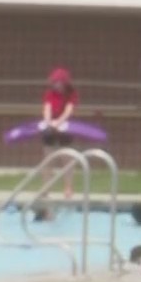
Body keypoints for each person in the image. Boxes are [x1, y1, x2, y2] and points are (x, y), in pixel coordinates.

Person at [39, 67, 81, 197]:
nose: (56, 85)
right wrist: (49, 122)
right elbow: (47, 109)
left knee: (66, 159)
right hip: (50, 126)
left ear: (65, 83)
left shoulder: (71, 94)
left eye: (59, 82)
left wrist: (59, 122)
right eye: (55, 82)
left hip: (65, 127)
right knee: (48, 159)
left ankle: (68, 188)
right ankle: (46, 189)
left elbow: (68, 110)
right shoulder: (49, 93)